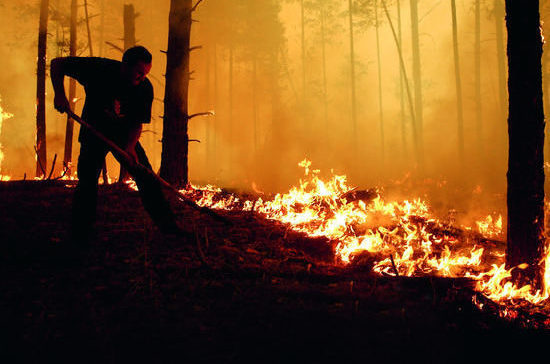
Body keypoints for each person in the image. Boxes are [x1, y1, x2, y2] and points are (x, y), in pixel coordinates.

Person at [51, 46, 184, 243]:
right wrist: (59, 95)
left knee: (147, 178)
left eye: (146, 73)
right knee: (87, 183)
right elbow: (57, 64)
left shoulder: (144, 88)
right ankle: (80, 235)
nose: (142, 77)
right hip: (93, 131)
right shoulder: (98, 69)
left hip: (123, 135)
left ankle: (169, 228)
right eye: (139, 72)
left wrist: (130, 147)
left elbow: (137, 123)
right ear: (125, 65)